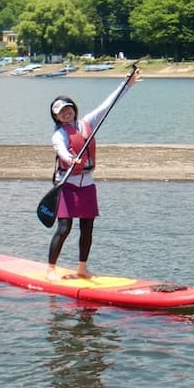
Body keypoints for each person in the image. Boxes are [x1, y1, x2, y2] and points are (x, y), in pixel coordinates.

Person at [46, 68, 142, 280]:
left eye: (68, 108)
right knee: (64, 228)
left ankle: (82, 269)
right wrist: (71, 160)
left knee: (87, 228)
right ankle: (51, 269)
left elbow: (108, 105)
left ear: (74, 109)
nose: (66, 112)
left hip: (87, 184)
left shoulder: (87, 123)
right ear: (56, 116)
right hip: (66, 185)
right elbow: (62, 151)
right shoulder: (59, 135)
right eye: (61, 111)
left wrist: (127, 84)